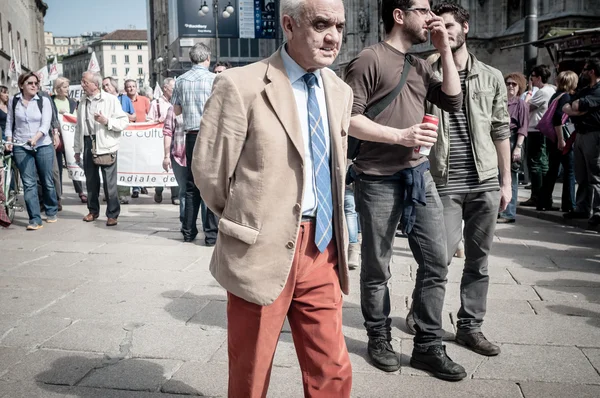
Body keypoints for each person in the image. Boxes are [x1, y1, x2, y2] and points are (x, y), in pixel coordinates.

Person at [193, 0, 353, 395]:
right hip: (260, 247)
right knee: (252, 368)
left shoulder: (339, 89)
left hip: (322, 245)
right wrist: (247, 220)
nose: (333, 36)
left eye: (339, 26)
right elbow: (210, 172)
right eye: (321, 24)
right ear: (289, 25)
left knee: (332, 368)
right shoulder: (240, 84)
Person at [344, 0, 465, 381]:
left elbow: (453, 98)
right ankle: (378, 337)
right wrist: (401, 135)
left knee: (437, 260)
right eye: (424, 9)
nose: (432, 18)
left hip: (418, 175)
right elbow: (348, 119)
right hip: (377, 176)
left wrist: (444, 50)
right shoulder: (369, 59)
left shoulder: (420, 64)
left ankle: (428, 345)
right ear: (399, 15)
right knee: (377, 265)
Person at [421, 2, 511, 359]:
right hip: (442, 180)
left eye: (449, 25)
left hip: (484, 181)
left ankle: (470, 326)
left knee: (479, 260)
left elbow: (501, 129)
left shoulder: (490, 76)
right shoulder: (425, 70)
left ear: (465, 27)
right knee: (437, 259)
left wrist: (506, 183)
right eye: (436, 26)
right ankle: (424, 319)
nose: (443, 31)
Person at [171, 43, 218, 245]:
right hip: (211, 135)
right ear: (207, 58)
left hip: (191, 135)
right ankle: (211, 234)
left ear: (191, 59)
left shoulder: (180, 80)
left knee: (191, 185)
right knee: (211, 183)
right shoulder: (215, 79)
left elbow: (177, 111)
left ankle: (188, 231)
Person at [74, 71, 129, 227]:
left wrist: (106, 121)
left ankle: (112, 214)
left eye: (85, 82)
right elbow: (79, 127)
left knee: (109, 183)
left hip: (106, 144)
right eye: (82, 82)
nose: (82, 85)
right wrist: (77, 150)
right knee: (91, 181)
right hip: (87, 142)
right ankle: (93, 211)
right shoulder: (82, 101)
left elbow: (123, 122)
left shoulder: (110, 100)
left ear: (95, 84)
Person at [4, 72, 58, 230]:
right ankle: (34, 219)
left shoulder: (44, 100)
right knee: (29, 183)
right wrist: (9, 140)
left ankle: (51, 209)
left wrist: (35, 138)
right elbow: (10, 122)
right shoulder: (14, 101)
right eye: (30, 83)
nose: (34, 85)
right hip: (21, 145)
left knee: (47, 181)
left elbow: (46, 123)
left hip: (42, 144)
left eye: (36, 83)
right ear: (21, 85)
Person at [563, 58, 600, 227]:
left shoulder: (598, 91)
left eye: (585, 69)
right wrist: (577, 111)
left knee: (595, 175)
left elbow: (577, 105)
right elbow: (567, 106)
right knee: (581, 174)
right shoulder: (586, 89)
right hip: (580, 133)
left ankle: (597, 211)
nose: (582, 73)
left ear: (592, 71)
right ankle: (582, 207)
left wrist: (576, 110)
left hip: (594, 134)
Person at [537, 71, 577, 213]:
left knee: (553, 170)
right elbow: (558, 118)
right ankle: (569, 204)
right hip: (562, 138)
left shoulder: (555, 95)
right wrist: (561, 139)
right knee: (569, 171)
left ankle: (543, 201)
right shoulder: (566, 96)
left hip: (552, 139)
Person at [521, 64, 556, 207]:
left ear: (539, 78)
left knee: (536, 164)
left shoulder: (543, 92)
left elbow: (526, 107)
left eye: (532, 78)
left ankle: (538, 195)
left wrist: (529, 93)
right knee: (540, 162)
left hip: (536, 130)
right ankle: (542, 196)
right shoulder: (552, 89)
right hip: (539, 130)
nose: (531, 80)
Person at [498, 73, 529, 223]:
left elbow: (523, 128)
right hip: (499, 138)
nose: (510, 86)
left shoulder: (521, 104)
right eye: (508, 83)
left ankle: (509, 213)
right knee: (499, 177)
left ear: (519, 87)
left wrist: (518, 148)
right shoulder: (501, 101)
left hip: (512, 139)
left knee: (511, 178)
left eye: (514, 84)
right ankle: (500, 209)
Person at [52, 77, 87, 204]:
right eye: (65, 87)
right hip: (55, 139)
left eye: (68, 86)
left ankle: (80, 191)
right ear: (58, 88)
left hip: (69, 139)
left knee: (73, 164)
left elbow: (76, 118)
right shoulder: (51, 101)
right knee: (56, 170)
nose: (67, 89)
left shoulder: (72, 102)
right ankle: (58, 196)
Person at [102, 77, 136, 204]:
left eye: (107, 85)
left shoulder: (124, 99)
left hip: (124, 137)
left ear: (114, 86)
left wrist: (122, 114)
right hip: (108, 137)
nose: (105, 87)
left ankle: (123, 193)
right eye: (103, 86)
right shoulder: (103, 100)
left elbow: (133, 116)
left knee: (123, 164)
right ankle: (110, 193)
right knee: (108, 166)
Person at [148, 78, 179, 205]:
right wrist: (157, 121)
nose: (175, 91)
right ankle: (159, 189)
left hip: (175, 139)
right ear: (165, 88)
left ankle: (175, 195)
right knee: (160, 167)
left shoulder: (178, 103)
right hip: (158, 141)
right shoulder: (156, 103)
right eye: (173, 88)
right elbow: (148, 122)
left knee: (175, 166)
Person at [162, 105, 187, 223]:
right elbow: (167, 132)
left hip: (199, 155)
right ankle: (186, 224)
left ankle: (208, 228)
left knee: (203, 192)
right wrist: (166, 156)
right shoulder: (173, 109)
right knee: (184, 190)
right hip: (179, 155)